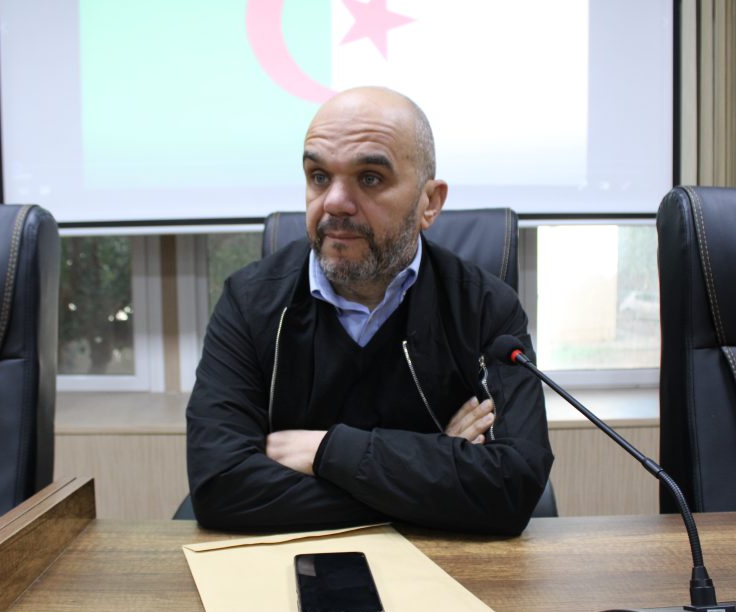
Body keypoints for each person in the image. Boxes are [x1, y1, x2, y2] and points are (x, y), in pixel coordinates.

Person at [186, 87, 552, 535]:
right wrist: (434, 465)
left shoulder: (485, 308)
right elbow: (220, 486)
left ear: (429, 203)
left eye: (371, 178)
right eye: (319, 176)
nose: (335, 202)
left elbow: (512, 487)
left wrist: (325, 452)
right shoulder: (250, 302)